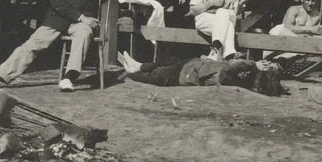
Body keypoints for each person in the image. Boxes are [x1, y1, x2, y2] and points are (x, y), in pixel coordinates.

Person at [117, 51, 283, 96]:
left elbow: (230, 67)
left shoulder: (236, 79)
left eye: (269, 67)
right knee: (165, 61)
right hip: (195, 65)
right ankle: (138, 65)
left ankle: (131, 72)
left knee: (158, 75)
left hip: (186, 75)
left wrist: (255, 64)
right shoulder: (247, 74)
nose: (266, 64)